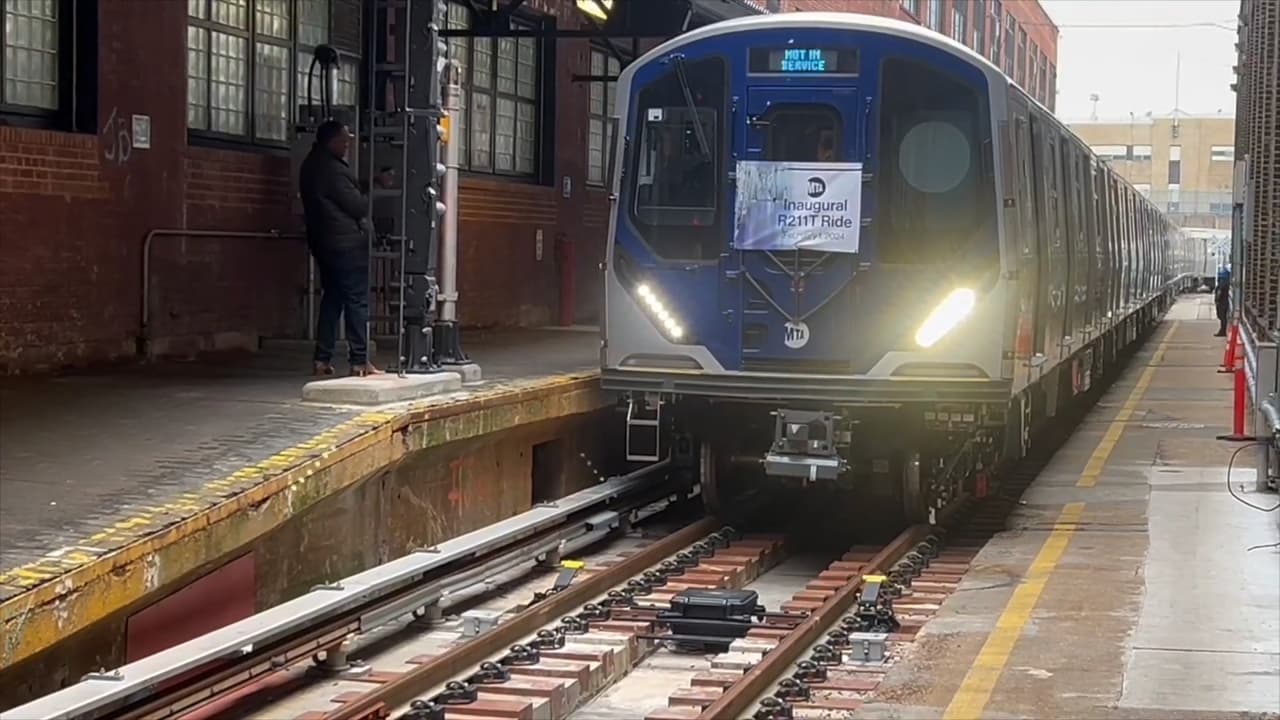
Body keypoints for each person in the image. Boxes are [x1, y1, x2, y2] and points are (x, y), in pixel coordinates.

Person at [299, 120, 390, 377]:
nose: (348, 144)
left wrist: (370, 182)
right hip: (347, 245)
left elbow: (342, 193)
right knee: (357, 301)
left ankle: (322, 358)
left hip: (324, 243)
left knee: (333, 300)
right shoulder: (333, 169)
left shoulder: (312, 164)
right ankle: (360, 360)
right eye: (344, 139)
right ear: (331, 141)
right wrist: (368, 195)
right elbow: (356, 206)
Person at [1214, 267, 1231, 337]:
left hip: (1222, 302)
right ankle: (1223, 330)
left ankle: (1222, 331)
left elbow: (1219, 292)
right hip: (1226, 301)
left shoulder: (1222, 283)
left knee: (1222, 317)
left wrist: (1217, 300)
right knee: (1223, 317)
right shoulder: (1227, 283)